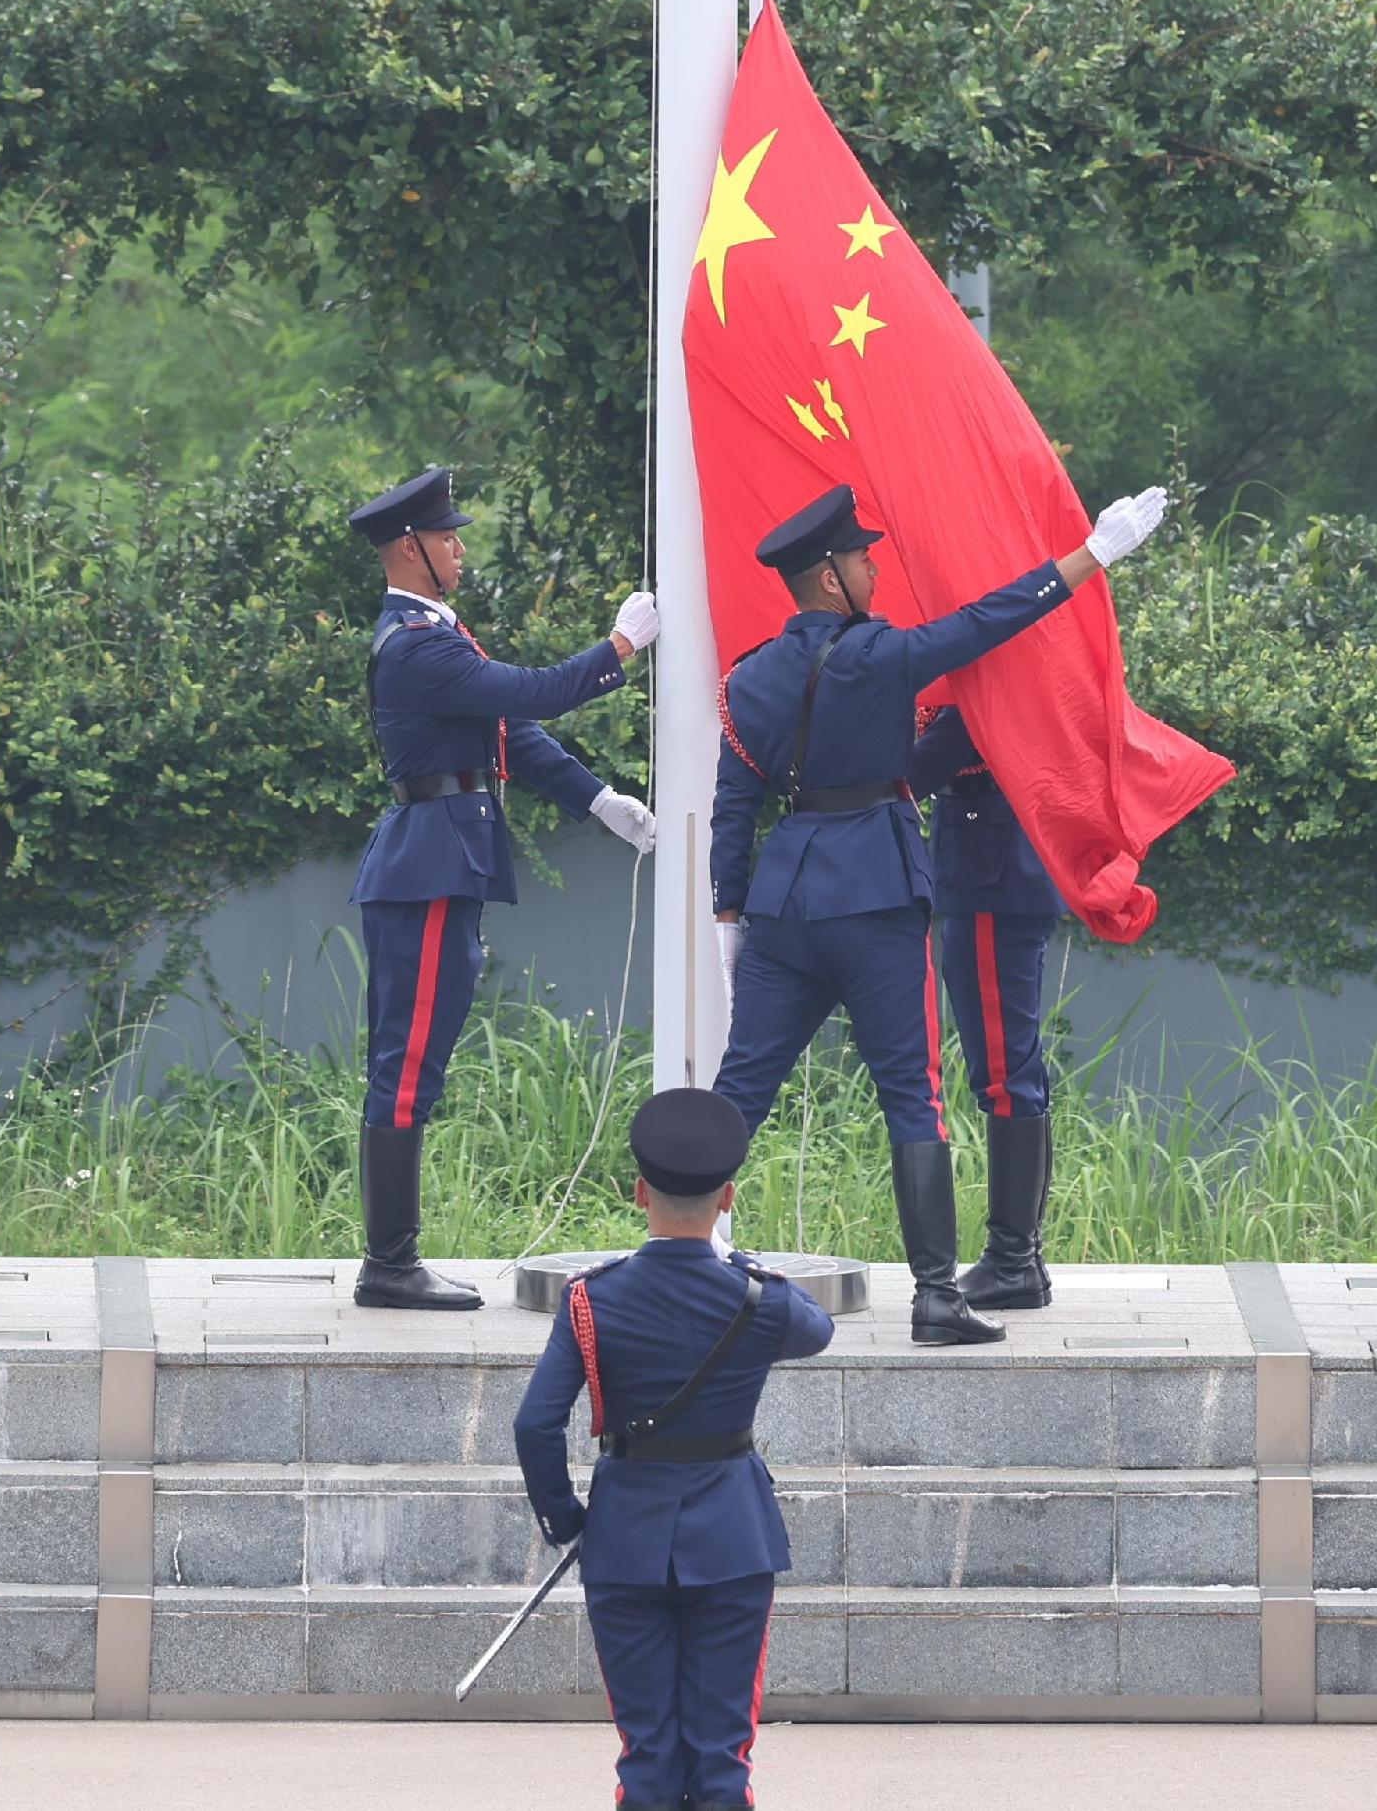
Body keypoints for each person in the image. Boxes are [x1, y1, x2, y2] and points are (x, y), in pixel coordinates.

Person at [709, 479, 1169, 1346]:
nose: (873, 568)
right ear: (831, 579)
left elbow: (735, 809)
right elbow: (987, 622)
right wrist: (1091, 556)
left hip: (783, 904)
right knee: (910, 1097)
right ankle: (932, 1295)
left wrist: (730, 916)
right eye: (861, 558)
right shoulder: (878, 655)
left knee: (741, 1089)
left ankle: (677, 1260)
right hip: (877, 892)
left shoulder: (745, 681)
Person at [346, 464, 659, 1309]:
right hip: (427, 867)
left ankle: (393, 1257)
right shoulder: (416, 644)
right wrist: (620, 647)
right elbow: (534, 693)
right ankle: (389, 1263)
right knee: (407, 1064)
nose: (458, 548)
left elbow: (509, 734)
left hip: (442, 863)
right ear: (410, 550)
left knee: (416, 1060)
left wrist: (600, 801)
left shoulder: (437, 635)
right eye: (446, 536)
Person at [514, 1088, 830, 1811]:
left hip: (624, 1539)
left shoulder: (593, 1298)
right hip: (734, 1541)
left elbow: (535, 1423)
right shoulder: (759, 1298)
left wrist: (566, 1519)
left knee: (649, 1758)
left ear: (637, 1192)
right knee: (722, 1761)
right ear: (728, 1196)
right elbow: (818, 1328)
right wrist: (736, 1259)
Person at [909, 703, 1064, 1309]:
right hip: (997, 875)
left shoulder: (986, 680)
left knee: (1006, 1075)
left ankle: (1013, 1261)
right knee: (1012, 1071)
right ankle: (1018, 1258)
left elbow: (909, 772)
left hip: (993, 883)